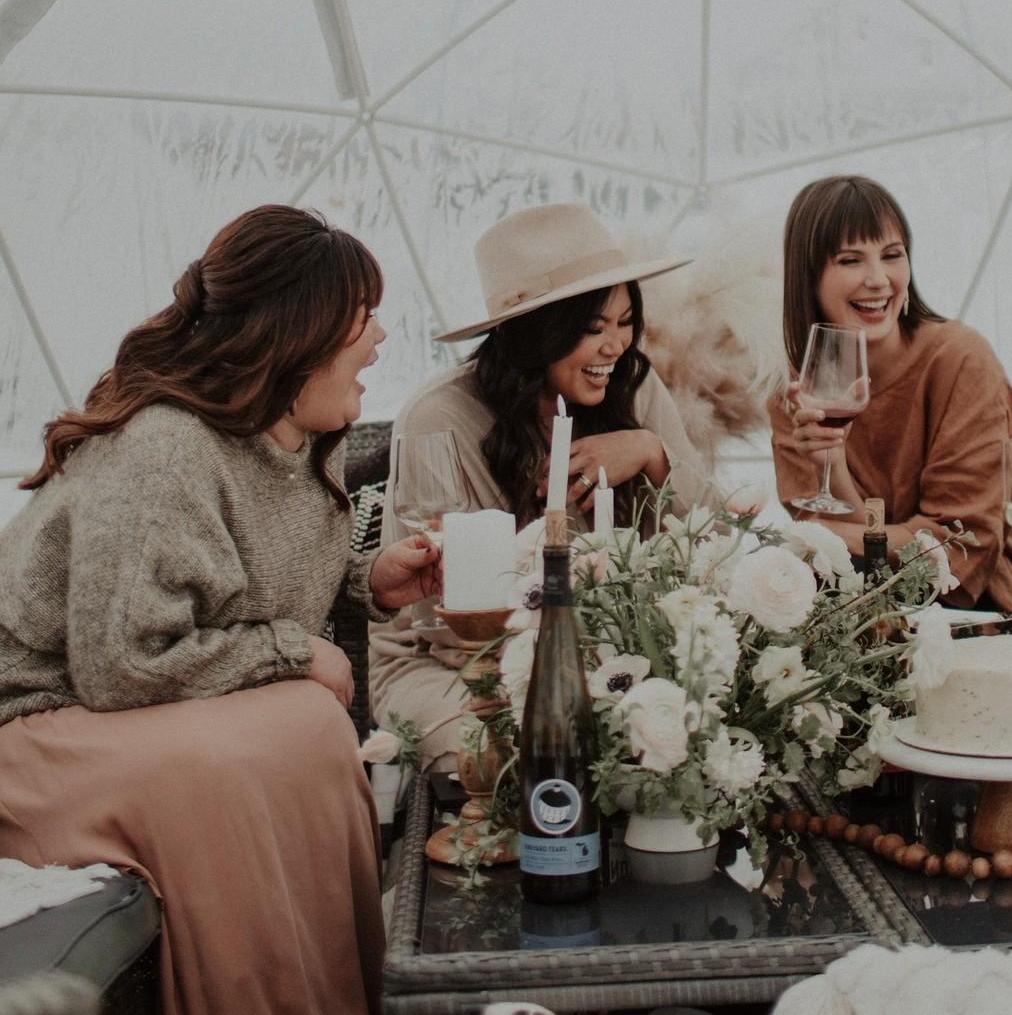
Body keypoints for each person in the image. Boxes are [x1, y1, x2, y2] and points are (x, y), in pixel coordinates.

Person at [0, 205, 441, 1015]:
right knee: (278, 734)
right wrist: (291, 653)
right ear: (298, 334)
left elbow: (236, 586)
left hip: (118, 705)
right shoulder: (161, 448)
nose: (378, 338)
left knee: (306, 727)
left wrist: (367, 581)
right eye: (360, 317)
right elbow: (121, 662)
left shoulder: (295, 444)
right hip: (35, 723)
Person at [369, 202, 709, 768]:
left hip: (610, 657)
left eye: (626, 322)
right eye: (592, 328)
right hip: (455, 668)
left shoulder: (635, 388)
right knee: (534, 750)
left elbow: (711, 531)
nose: (616, 346)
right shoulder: (440, 418)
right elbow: (440, 617)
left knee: (684, 732)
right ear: (533, 334)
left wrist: (653, 455)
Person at [768, 175, 1012, 618]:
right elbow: (848, 558)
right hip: (859, 617)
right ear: (808, 274)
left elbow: (959, 545)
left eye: (892, 256)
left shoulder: (959, 360)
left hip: (981, 617)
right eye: (850, 260)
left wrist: (827, 533)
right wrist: (833, 467)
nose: (878, 280)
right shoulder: (796, 388)